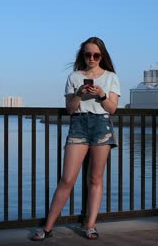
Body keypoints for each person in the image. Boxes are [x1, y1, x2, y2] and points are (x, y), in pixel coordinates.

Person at [31, 36, 120, 241]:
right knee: (67, 179)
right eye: (88, 54)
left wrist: (102, 95)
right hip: (78, 125)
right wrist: (79, 94)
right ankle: (47, 228)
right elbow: (70, 109)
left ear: (101, 56)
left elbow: (112, 109)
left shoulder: (111, 77)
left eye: (96, 55)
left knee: (95, 179)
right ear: (83, 55)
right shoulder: (74, 77)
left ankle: (90, 226)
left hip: (102, 126)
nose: (92, 58)